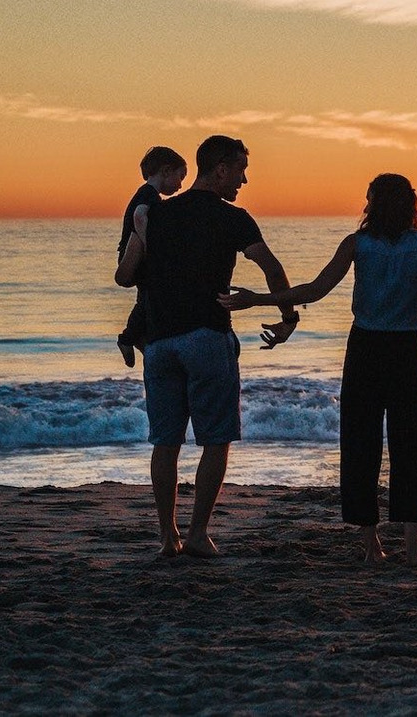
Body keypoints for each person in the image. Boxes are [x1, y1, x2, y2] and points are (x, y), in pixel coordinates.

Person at [220, 174, 417, 567]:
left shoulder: (361, 243)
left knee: (362, 444)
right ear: (411, 203)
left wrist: (261, 300)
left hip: (369, 349)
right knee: (411, 446)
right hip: (403, 348)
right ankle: (412, 547)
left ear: (373, 202)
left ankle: (373, 545)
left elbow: (315, 290)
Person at [114, 135, 300, 559]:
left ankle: (167, 538)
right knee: (215, 440)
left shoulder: (154, 215)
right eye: (239, 170)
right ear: (219, 169)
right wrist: (288, 318)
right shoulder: (233, 218)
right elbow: (271, 267)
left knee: (166, 443)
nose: (244, 179)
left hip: (160, 342)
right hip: (206, 337)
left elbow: (126, 275)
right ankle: (197, 533)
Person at [116, 146, 188, 367]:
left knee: (146, 297)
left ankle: (135, 337)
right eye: (180, 176)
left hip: (137, 255)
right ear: (166, 171)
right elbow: (139, 216)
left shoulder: (147, 194)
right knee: (148, 297)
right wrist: (153, 246)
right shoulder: (149, 194)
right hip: (136, 256)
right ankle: (128, 338)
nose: (180, 185)